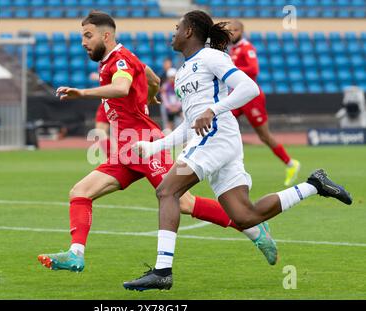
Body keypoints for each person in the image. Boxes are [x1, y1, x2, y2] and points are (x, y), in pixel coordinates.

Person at [123, 10, 352, 291]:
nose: (173, 31)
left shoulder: (211, 57)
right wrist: (155, 146)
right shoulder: (183, 72)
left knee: (167, 191)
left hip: (216, 136)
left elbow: (249, 88)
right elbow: (189, 123)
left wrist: (213, 109)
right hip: (216, 139)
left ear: (189, 32)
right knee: (245, 216)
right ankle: (315, 185)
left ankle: (162, 271)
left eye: (177, 26)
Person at [38, 11, 278, 273]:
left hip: (145, 143)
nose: (83, 42)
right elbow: (151, 77)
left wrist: (82, 93)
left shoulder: (119, 60)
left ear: (106, 35)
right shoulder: (116, 59)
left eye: (87, 35)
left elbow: (120, 88)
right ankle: (76, 254)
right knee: (80, 192)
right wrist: (149, 96)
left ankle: (254, 229)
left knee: (183, 202)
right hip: (125, 150)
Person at [228, 20, 300, 187]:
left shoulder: (247, 48)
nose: (231, 33)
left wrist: (233, 69)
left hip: (251, 98)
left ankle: (291, 164)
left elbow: (254, 69)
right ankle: (227, 165)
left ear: (241, 31)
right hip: (237, 96)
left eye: (234, 30)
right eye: (229, 30)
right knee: (221, 122)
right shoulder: (234, 50)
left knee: (264, 136)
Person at [160, 68, 182, 133]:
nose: (172, 79)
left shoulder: (179, 86)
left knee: (183, 117)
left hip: (177, 108)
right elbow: (164, 98)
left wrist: (177, 107)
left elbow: (181, 97)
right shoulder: (165, 86)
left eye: (173, 77)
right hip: (168, 109)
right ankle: (167, 135)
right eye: (170, 77)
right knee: (168, 124)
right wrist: (170, 107)